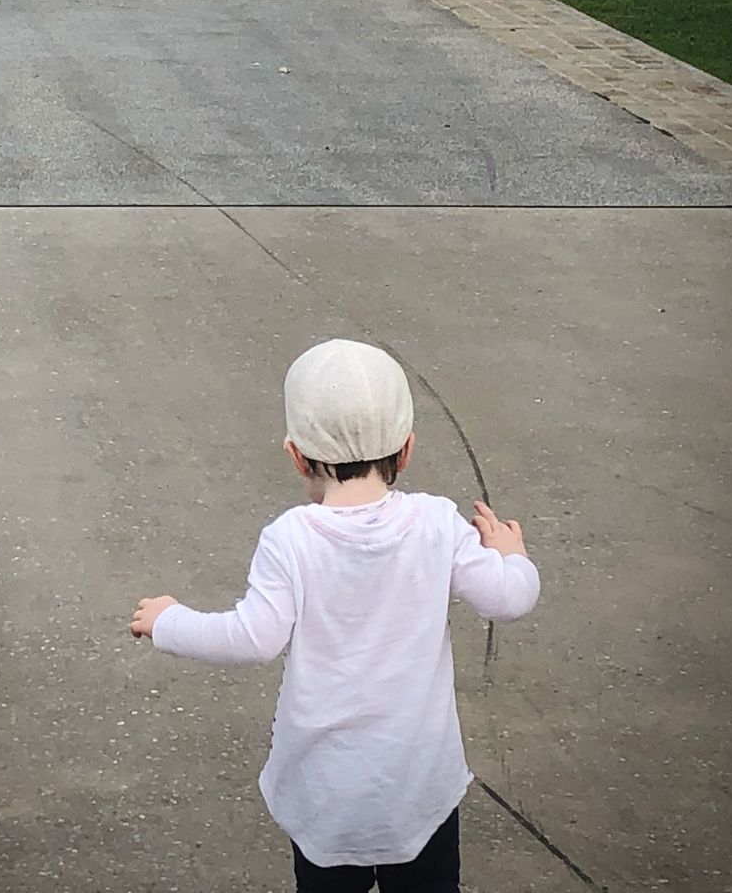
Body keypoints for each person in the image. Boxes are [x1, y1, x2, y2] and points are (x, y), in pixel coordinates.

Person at [131, 338, 541, 893]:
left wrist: (168, 620)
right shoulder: (438, 524)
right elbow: (511, 599)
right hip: (419, 787)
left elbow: (252, 637)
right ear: (407, 448)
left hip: (327, 791)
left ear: (296, 455)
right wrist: (510, 551)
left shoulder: (290, 540)